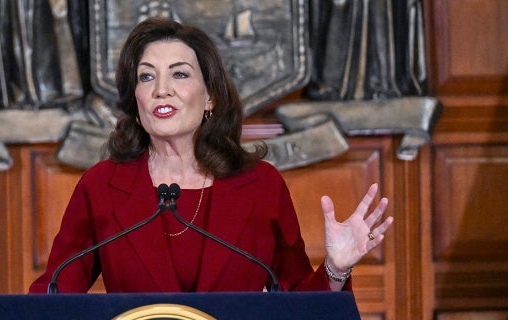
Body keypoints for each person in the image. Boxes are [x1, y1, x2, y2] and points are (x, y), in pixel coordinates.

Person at [29, 18, 393, 294]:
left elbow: (297, 306)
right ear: (135, 99)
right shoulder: (102, 187)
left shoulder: (260, 186)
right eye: (146, 77)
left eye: (180, 74)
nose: (161, 90)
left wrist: (336, 268)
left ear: (210, 98)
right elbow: (54, 295)